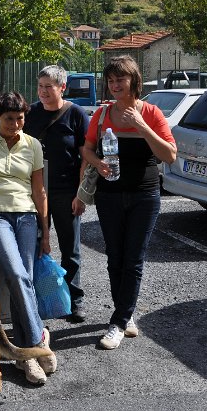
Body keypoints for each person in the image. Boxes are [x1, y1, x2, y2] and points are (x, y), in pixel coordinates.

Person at [81, 56, 176, 350]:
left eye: (120, 79)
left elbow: (169, 155)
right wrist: (98, 161)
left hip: (144, 196)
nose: (114, 85)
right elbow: (86, 148)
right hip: (109, 196)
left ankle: (119, 322)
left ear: (133, 81)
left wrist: (141, 125)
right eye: (110, 81)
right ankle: (126, 312)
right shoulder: (102, 115)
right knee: (115, 258)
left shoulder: (151, 112)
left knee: (133, 259)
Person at [0, 91, 55, 385]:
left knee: (24, 279)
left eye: (20, 119)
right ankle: (37, 344)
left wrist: (45, 231)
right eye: (9, 119)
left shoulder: (33, 145)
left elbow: (40, 191)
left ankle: (24, 358)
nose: (16, 124)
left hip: (27, 216)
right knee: (17, 275)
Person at [23, 65, 90, 323]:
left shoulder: (76, 115)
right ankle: (42, 300)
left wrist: (81, 194)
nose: (43, 92)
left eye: (49, 87)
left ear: (62, 87)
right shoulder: (30, 113)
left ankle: (74, 301)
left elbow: (85, 156)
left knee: (70, 249)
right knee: (37, 246)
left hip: (66, 191)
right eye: (40, 86)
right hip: (34, 190)